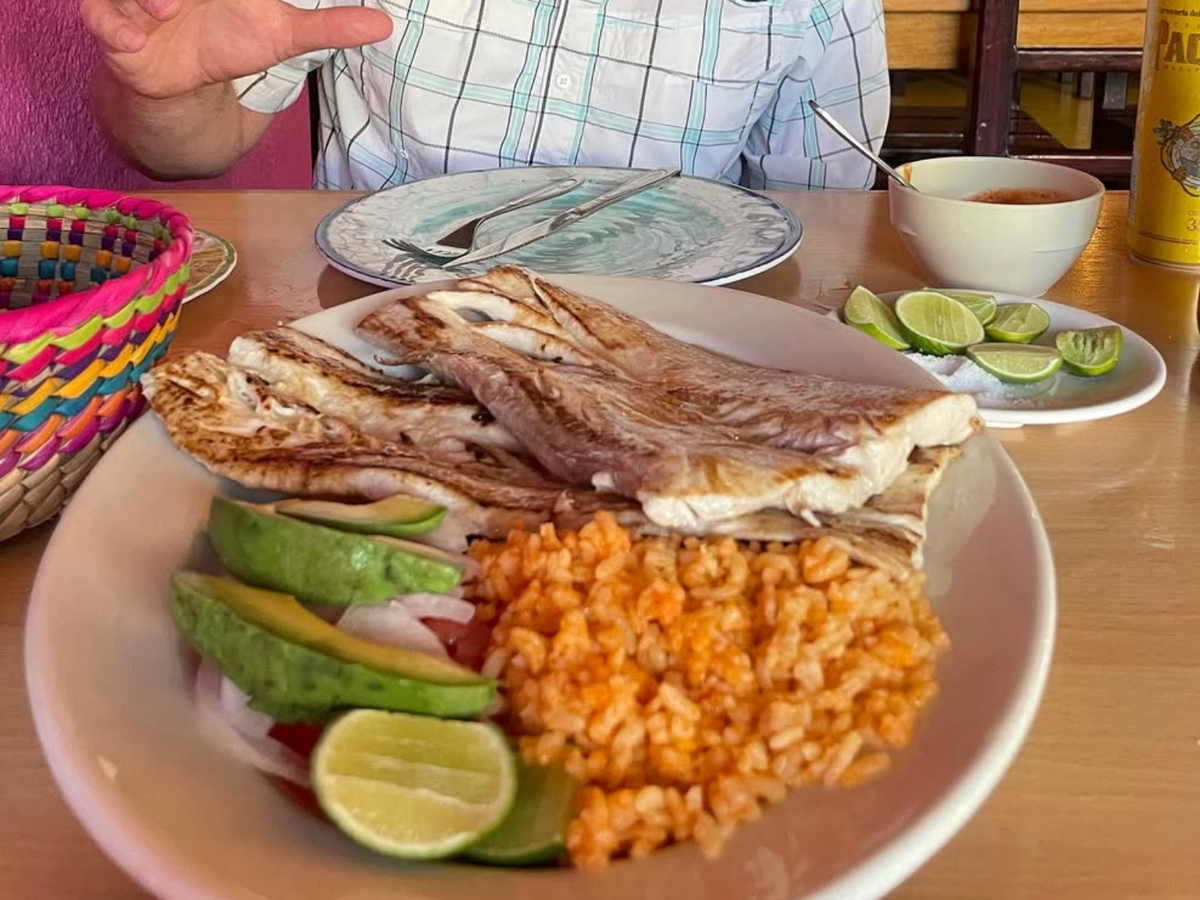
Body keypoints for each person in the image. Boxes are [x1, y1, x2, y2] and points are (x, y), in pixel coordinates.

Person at [84, 0, 889, 191]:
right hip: (377, 336)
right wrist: (162, 94)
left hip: (669, 355)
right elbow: (182, 152)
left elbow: (815, 239)